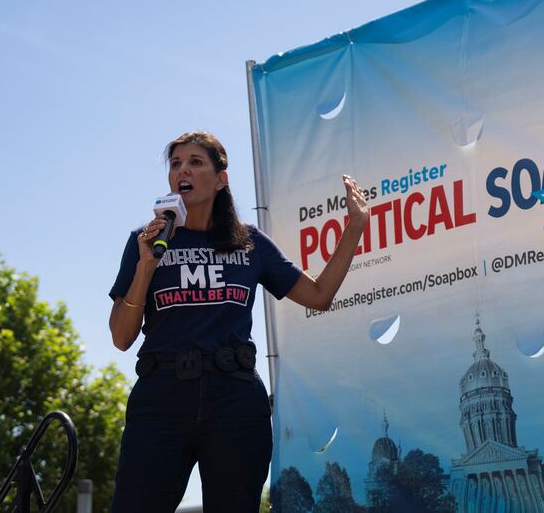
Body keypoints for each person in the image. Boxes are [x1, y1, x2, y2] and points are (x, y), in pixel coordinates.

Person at [108, 131, 369, 512]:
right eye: (176, 163)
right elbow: (120, 337)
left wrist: (355, 228)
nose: (183, 170)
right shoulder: (144, 242)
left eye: (195, 162)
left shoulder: (250, 243)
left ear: (220, 179)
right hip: (161, 399)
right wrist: (147, 265)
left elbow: (318, 295)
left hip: (234, 400)